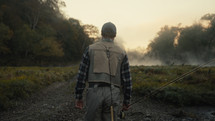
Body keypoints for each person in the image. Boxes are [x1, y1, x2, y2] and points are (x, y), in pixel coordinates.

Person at [75, 22, 132, 121]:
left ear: (101, 33)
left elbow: (81, 76)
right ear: (115, 35)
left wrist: (79, 96)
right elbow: (127, 80)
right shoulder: (122, 53)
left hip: (94, 93)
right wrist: (126, 101)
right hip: (113, 94)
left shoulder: (90, 49)